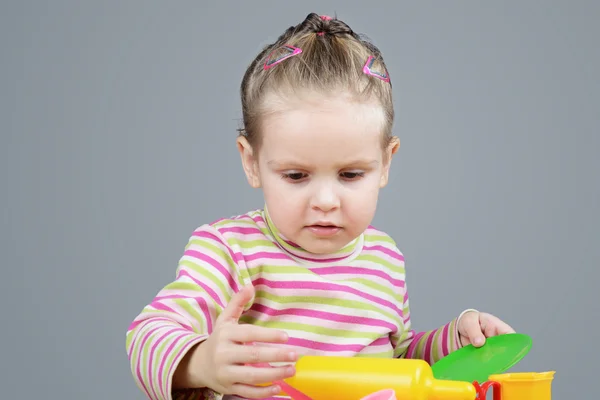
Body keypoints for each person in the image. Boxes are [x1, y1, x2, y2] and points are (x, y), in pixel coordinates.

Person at [125, 12, 515, 400]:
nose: (326, 202)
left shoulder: (384, 258)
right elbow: (147, 338)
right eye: (296, 176)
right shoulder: (230, 250)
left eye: (350, 175)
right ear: (251, 161)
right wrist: (203, 363)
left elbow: (393, 363)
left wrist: (455, 341)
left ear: (386, 162)